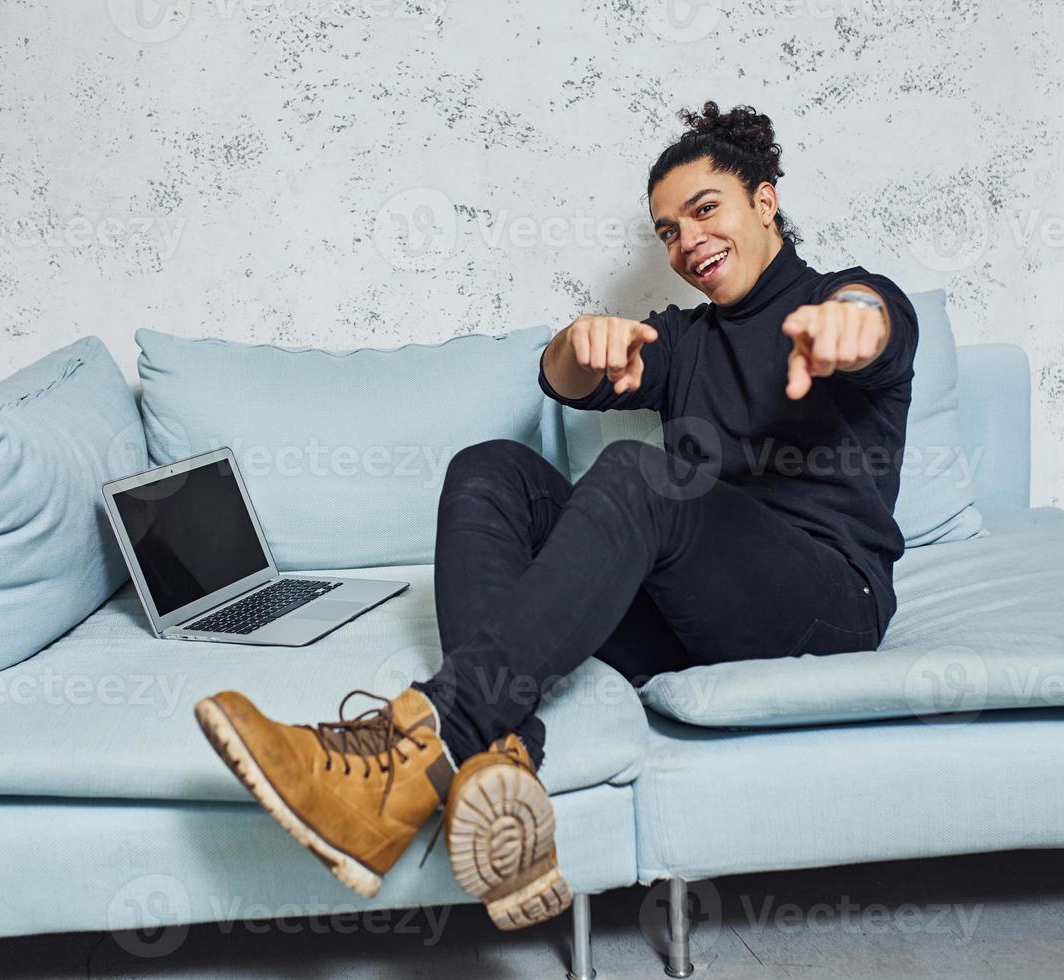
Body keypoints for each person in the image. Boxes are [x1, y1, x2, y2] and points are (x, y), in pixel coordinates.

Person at [194, 101, 918, 932]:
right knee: (490, 468)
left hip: (824, 600)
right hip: (693, 607)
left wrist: (851, 328)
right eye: (667, 231)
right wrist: (576, 345)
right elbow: (565, 380)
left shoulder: (843, 301)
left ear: (765, 201)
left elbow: (877, 321)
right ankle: (499, 774)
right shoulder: (683, 341)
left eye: (705, 209)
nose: (686, 243)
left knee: (642, 475)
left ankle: (418, 751)